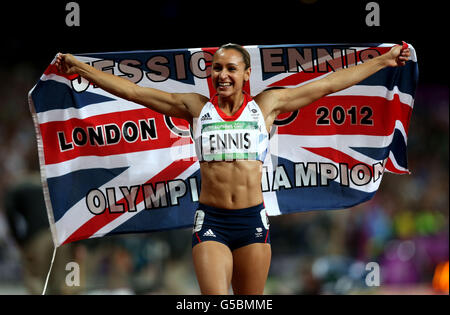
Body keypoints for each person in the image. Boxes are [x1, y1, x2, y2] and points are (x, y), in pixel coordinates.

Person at [56, 42, 410, 294]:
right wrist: (82, 68)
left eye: (230, 69)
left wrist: (382, 61)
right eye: (217, 69)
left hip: (252, 221)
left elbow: (329, 84)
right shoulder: (196, 107)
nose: (222, 75)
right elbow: (134, 92)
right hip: (212, 222)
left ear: (246, 74)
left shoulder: (267, 105)